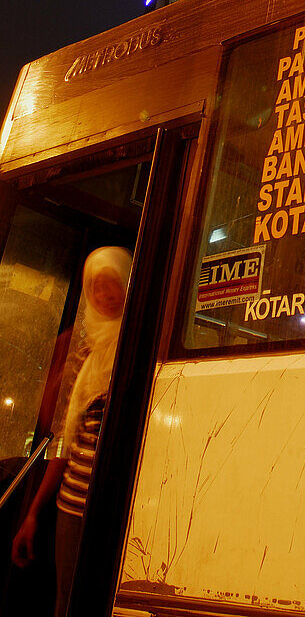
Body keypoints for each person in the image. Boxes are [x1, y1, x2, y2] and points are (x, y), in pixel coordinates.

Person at [12, 246, 132, 617]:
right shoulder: (83, 353)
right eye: (97, 287)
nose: (106, 295)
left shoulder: (137, 348)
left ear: (130, 284)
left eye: (114, 284)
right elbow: (64, 440)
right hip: (71, 507)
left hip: (117, 508)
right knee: (67, 601)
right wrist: (33, 512)